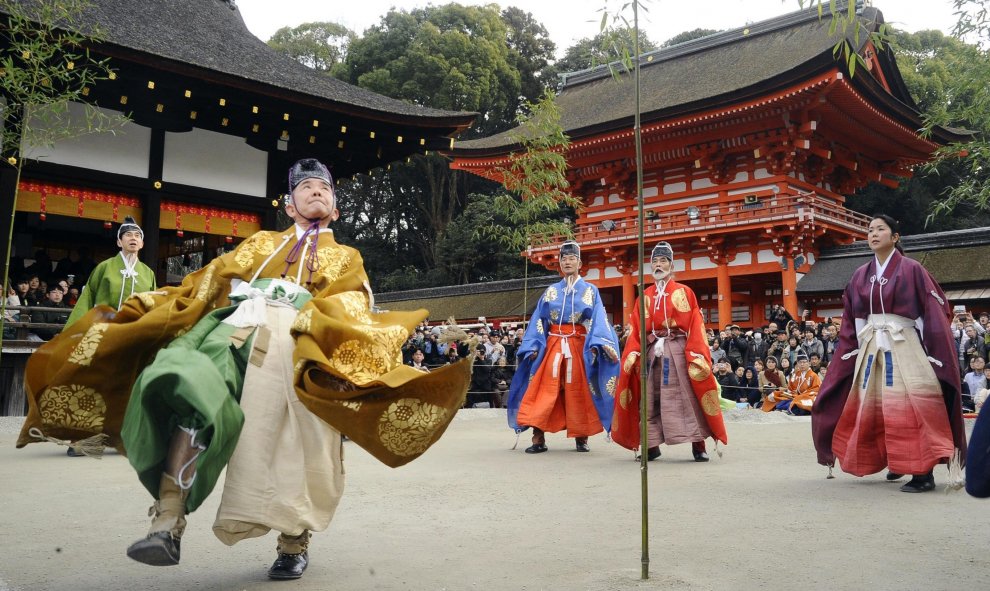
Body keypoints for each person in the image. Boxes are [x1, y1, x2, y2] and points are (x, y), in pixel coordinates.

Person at [17, 158, 471, 577]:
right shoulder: (261, 243)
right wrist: (160, 304)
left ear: (334, 206)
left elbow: (355, 301)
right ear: (289, 204)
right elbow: (211, 277)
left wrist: (302, 306)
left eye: (323, 189)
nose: (316, 193)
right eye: (306, 188)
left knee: (301, 440)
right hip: (238, 328)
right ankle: (168, 519)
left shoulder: (346, 256)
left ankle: (293, 540)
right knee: (189, 385)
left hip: (300, 342)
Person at [812, 214, 967, 493]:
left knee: (913, 406)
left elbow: (930, 313)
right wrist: (854, 350)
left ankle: (923, 472)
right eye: (870, 230)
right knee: (876, 407)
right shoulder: (861, 273)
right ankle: (895, 460)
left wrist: (932, 351)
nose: (873, 234)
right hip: (871, 345)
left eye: (880, 229)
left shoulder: (912, 269)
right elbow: (854, 315)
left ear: (895, 237)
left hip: (905, 344)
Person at [612, 242, 727, 462]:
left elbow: (695, 323)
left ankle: (698, 444)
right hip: (651, 352)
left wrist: (697, 353)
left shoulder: (685, 292)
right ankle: (651, 445)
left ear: (671, 265)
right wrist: (634, 351)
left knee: (688, 396)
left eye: (662, 261)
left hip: (678, 350)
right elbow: (636, 327)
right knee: (649, 399)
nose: (658, 265)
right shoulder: (644, 295)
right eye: (654, 261)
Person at [506, 241, 619, 454]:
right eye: (563, 259)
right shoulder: (551, 291)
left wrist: (598, 344)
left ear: (580, 263)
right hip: (553, 343)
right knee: (544, 387)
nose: (567, 262)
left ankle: (581, 436)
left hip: (578, 343)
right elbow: (539, 319)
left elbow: (598, 319)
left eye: (571, 259)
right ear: (559, 263)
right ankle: (538, 436)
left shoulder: (590, 290)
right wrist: (533, 344)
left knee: (578, 389)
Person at [64, 216, 157, 328]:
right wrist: (74, 330)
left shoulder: (148, 273)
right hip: (104, 328)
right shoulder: (104, 267)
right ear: (119, 242)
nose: (133, 238)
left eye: (137, 236)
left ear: (141, 244)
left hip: (136, 331)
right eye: (128, 235)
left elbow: (153, 306)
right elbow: (87, 297)